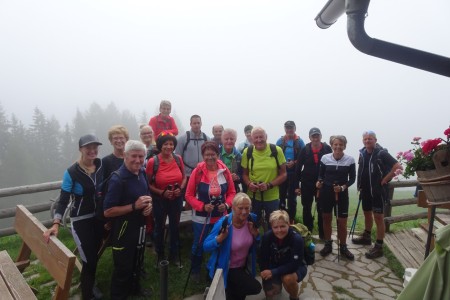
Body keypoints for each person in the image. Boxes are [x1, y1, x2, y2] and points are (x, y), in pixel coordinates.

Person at [43, 134, 104, 300]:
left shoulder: (100, 165)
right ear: (81, 149)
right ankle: (87, 295)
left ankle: (90, 285)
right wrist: (56, 223)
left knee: (93, 257)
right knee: (89, 259)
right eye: (88, 147)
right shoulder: (71, 172)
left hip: (98, 219)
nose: (92, 150)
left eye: (95, 147)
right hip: (81, 220)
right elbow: (63, 200)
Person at [103, 140, 152, 299]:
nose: (138, 160)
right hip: (123, 230)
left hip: (140, 226)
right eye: (134, 156)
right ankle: (118, 295)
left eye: (141, 156)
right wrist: (134, 206)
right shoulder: (118, 178)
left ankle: (135, 289)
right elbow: (108, 211)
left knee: (138, 259)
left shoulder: (142, 172)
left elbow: (146, 194)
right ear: (125, 156)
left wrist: (148, 205)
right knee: (123, 267)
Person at [185, 141, 236, 282]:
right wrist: (202, 206)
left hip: (220, 216)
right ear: (203, 156)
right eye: (206, 155)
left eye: (213, 154)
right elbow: (188, 195)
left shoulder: (224, 171)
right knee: (199, 244)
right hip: (201, 217)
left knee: (220, 243)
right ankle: (195, 269)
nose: (210, 158)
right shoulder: (198, 171)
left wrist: (226, 205)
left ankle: (214, 269)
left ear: (218, 155)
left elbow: (232, 192)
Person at [352, 130, 401, 259]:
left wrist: (385, 179)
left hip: (378, 191)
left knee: (378, 217)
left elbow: (398, 166)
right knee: (367, 213)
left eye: (370, 139)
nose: (367, 141)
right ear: (363, 141)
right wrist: (359, 186)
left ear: (375, 140)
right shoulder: (362, 153)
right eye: (365, 139)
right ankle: (366, 237)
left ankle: (379, 247)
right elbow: (361, 170)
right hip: (366, 190)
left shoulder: (381, 153)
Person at [203, 192, 262, 300]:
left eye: (247, 208)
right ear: (233, 208)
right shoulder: (224, 223)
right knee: (255, 287)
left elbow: (257, 244)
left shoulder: (251, 219)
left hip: (243, 268)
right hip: (227, 268)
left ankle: (227, 291)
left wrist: (256, 235)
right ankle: (226, 289)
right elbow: (206, 246)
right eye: (240, 208)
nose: (244, 212)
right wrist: (219, 239)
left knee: (239, 293)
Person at [146, 132, 186, 264]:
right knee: (159, 227)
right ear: (160, 145)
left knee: (175, 227)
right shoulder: (153, 161)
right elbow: (148, 184)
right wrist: (162, 193)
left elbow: (184, 177)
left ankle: (173, 254)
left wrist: (180, 188)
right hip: (160, 200)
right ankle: (160, 253)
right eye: (166, 144)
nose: (169, 147)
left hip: (176, 198)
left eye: (171, 144)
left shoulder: (178, 159)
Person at [316, 135, 356, 260]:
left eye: (341, 144)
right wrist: (319, 182)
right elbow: (320, 175)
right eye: (335, 144)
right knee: (326, 218)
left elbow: (353, 178)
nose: (338, 147)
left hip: (342, 193)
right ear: (332, 145)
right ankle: (328, 243)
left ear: (344, 146)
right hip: (326, 193)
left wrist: (343, 187)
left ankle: (343, 246)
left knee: (342, 222)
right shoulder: (325, 158)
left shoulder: (350, 160)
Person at [241, 126, 287, 228]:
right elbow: (244, 174)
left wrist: (269, 185)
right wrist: (249, 184)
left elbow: (283, 174)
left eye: (261, 137)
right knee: (252, 225)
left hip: (272, 196)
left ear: (266, 137)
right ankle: (254, 243)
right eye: (256, 138)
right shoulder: (247, 152)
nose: (259, 140)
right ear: (252, 139)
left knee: (274, 225)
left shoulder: (276, 150)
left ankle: (272, 244)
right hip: (253, 196)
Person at [260, 210, 307, 300]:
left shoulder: (297, 239)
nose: (279, 230)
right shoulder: (267, 237)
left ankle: (294, 297)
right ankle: (278, 285)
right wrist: (267, 283)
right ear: (271, 227)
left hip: (296, 266)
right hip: (276, 264)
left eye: (282, 226)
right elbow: (263, 261)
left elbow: (294, 265)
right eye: (275, 227)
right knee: (272, 292)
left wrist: (273, 272)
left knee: (287, 279)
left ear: (289, 224)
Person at [295, 127, 332, 239]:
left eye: (317, 136)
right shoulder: (305, 149)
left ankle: (322, 233)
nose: (315, 138)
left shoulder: (326, 148)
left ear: (321, 136)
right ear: (310, 137)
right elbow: (298, 168)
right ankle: (308, 232)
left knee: (322, 208)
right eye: (313, 136)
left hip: (322, 184)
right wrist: (297, 186)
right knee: (306, 208)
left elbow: (332, 163)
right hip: (307, 183)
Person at [175, 114, 210, 209]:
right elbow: (177, 157)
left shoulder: (207, 138)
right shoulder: (183, 139)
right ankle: (187, 221)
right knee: (188, 199)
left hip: (203, 174)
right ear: (190, 124)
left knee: (202, 197)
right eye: (194, 123)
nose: (196, 125)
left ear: (201, 123)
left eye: (198, 123)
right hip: (187, 175)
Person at [276, 121, 305, 223]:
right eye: (287, 128)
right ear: (285, 129)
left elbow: (304, 157)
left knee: (292, 199)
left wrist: (295, 162)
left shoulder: (299, 142)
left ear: (295, 128)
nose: (289, 130)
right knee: (281, 196)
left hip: (294, 174)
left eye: (291, 128)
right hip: (282, 174)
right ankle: (282, 220)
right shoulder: (280, 141)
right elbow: (275, 157)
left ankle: (291, 220)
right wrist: (283, 164)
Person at [219, 128, 242, 193]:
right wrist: (228, 177)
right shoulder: (216, 153)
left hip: (233, 188)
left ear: (235, 140)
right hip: (218, 188)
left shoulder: (238, 155)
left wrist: (237, 177)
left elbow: (242, 174)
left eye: (232, 139)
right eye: (226, 139)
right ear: (222, 140)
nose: (229, 141)